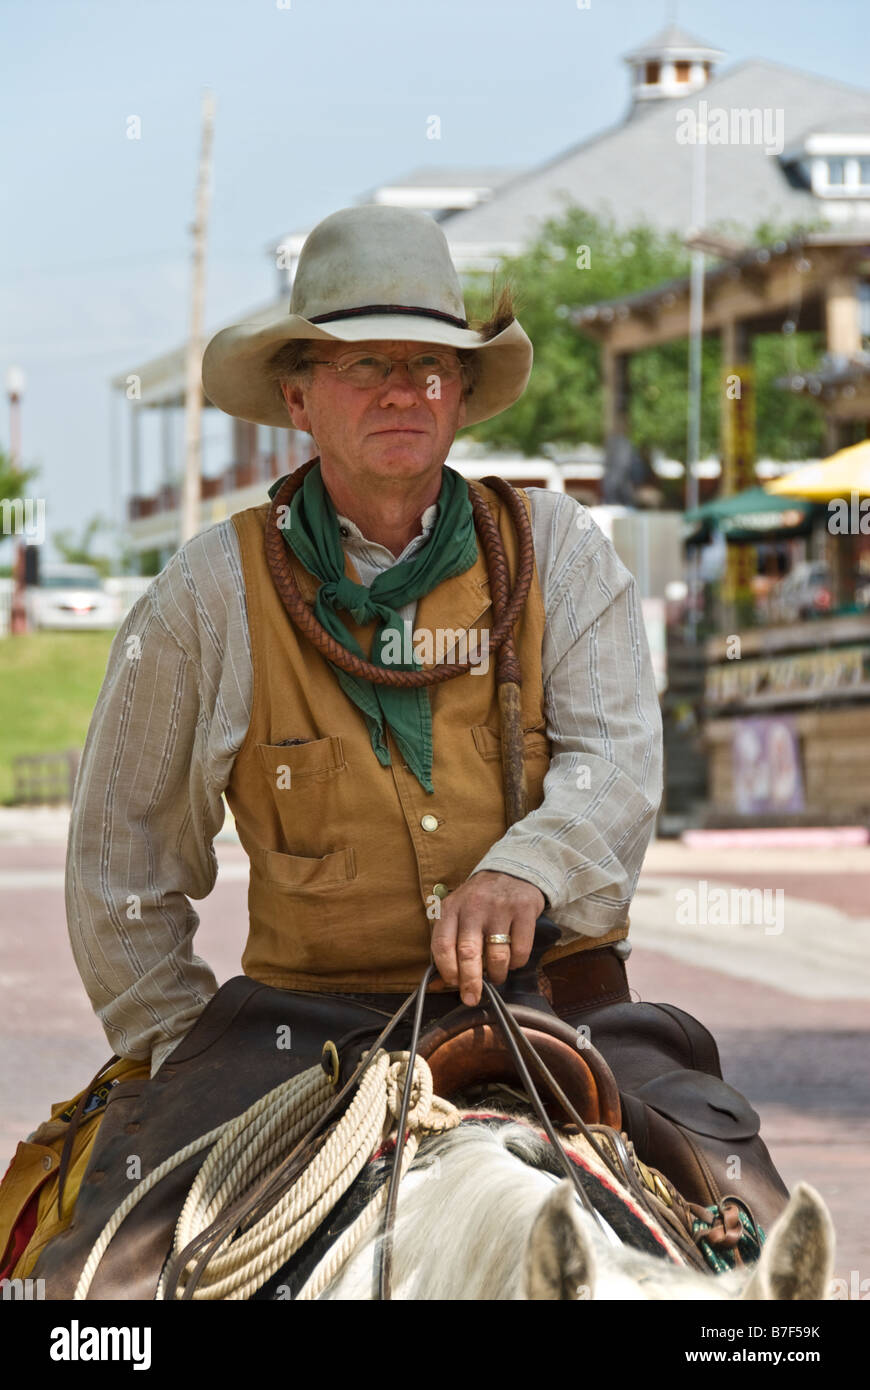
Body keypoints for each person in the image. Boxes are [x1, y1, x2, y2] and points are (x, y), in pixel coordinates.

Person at [19, 206, 789, 1297]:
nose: (403, 390)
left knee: (756, 1224)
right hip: (295, 1030)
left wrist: (532, 866)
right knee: (100, 1285)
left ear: (463, 397)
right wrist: (185, 1046)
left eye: (430, 367)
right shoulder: (203, 594)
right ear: (297, 397)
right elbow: (118, 865)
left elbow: (618, 759)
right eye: (366, 364)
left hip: (555, 1002)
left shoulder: (560, 552)